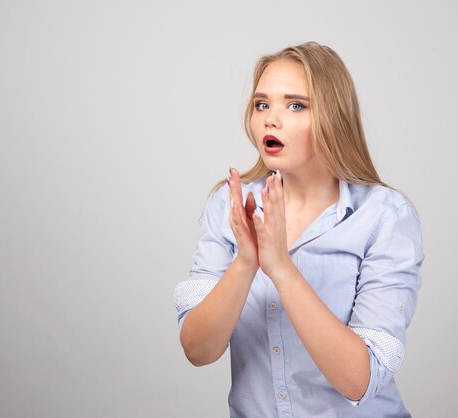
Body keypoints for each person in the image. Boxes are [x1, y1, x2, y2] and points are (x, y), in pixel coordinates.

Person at [173, 42, 423, 418]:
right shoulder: (230, 204)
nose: (271, 120)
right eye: (262, 104)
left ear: (333, 116)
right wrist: (245, 263)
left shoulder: (384, 216)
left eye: (295, 105)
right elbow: (197, 350)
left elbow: (361, 381)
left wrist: (281, 268)